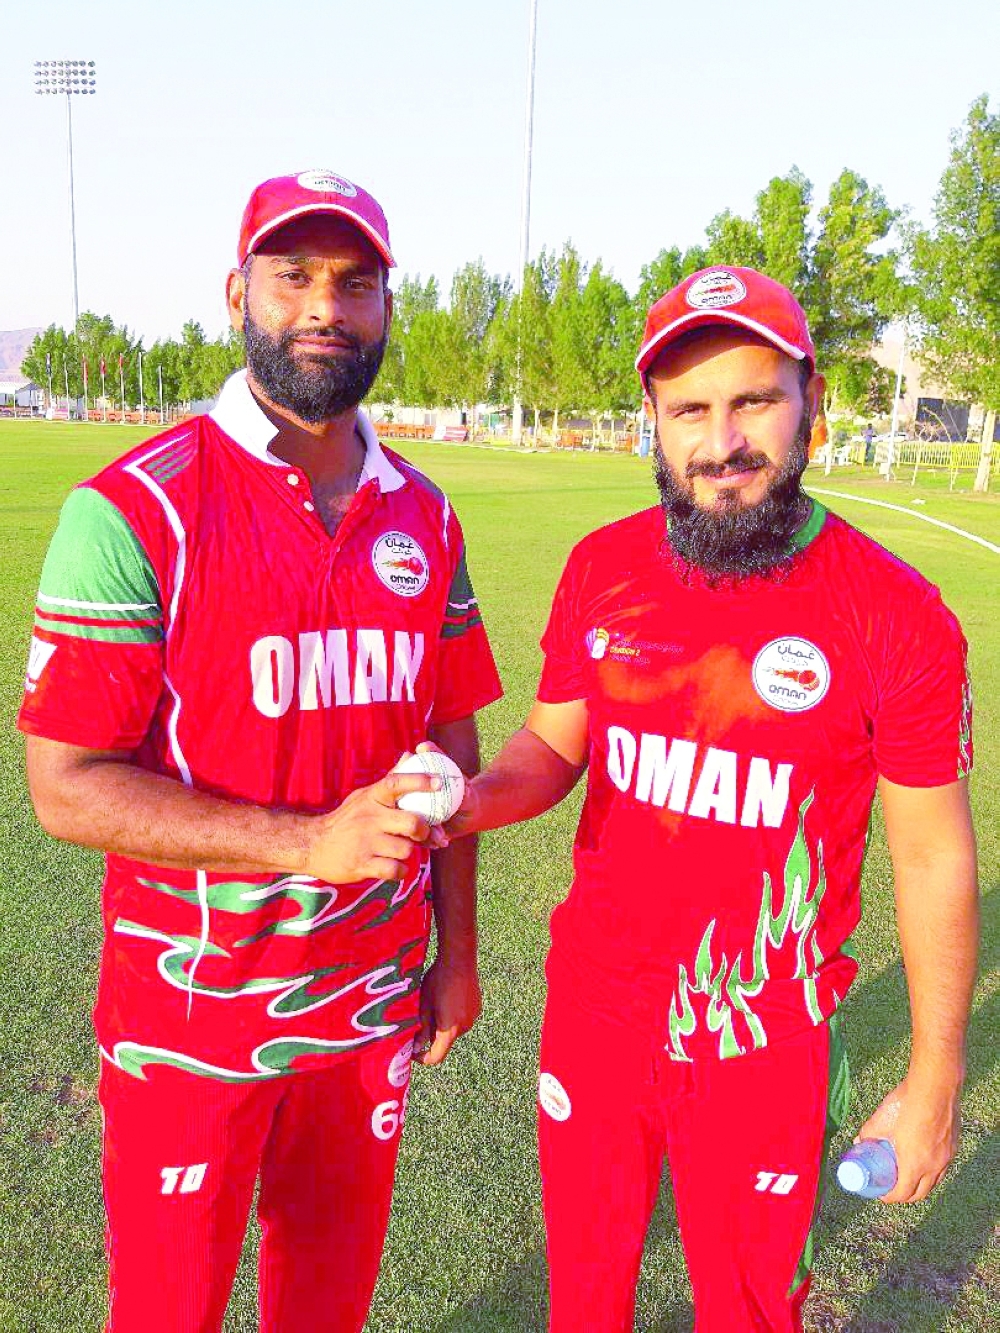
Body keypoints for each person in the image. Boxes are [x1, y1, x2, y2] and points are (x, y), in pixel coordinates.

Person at [444, 266, 978, 1331]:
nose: (722, 441)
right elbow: (552, 745)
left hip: (761, 1038)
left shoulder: (897, 613)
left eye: (753, 401)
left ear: (810, 402)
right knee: (583, 1294)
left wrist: (934, 1080)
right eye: (690, 409)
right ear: (653, 419)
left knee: (748, 1306)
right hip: (595, 1015)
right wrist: (466, 798)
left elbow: (931, 856)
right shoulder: (602, 565)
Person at [18, 169, 502, 1333]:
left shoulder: (425, 513)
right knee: (167, 1311)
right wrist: (304, 842)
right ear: (239, 293)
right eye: (294, 276)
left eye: (356, 282)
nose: (324, 306)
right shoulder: (133, 508)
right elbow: (64, 788)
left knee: (326, 1305)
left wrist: (458, 950)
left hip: (370, 1003)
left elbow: (450, 743)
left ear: (388, 307)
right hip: (189, 1020)